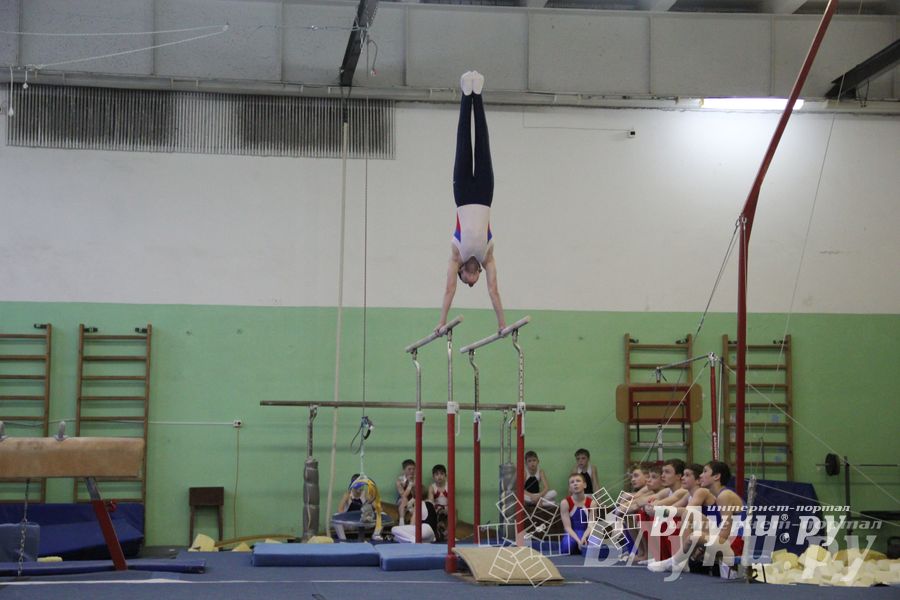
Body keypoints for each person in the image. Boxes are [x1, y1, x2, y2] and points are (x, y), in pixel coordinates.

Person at [437, 71, 506, 333]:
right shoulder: (488, 257)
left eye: (470, 279)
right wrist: (502, 324)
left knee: (464, 143)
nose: (474, 277)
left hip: (464, 194)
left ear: (462, 274)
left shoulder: (456, 256)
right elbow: (494, 290)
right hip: (485, 194)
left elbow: (448, 290)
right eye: (476, 278)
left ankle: (466, 95)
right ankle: (479, 95)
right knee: (484, 143)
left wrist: (442, 321)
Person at [559, 473, 594, 555]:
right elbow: (567, 527)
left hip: (587, 532)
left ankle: (580, 547)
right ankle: (577, 546)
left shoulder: (592, 503)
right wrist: (578, 541)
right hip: (572, 533)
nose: (575, 483)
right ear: (570, 488)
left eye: (578, 481)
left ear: (585, 485)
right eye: (572, 482)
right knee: (566, 548)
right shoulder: (565, 503)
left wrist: (584, 537)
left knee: (594, 549)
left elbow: (591, 525)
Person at [427, 464, 450, 541]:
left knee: (455, 511)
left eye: (441, 474)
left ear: (445, 476)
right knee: (435, 510)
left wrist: (447, 509)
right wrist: (439, 509)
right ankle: (437, 532)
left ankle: (449, 532)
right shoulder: (432, 487)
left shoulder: (449, 486)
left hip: (447, 507)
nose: (439, 476)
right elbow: (431, 502)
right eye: (437, 474)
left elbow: (452, 501)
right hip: (436, 508)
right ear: (433, 477)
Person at [395, 458, 416, 524]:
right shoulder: (399, 480)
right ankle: (401, 521)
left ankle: (413, 524)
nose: (412, 471)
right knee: (404, 499)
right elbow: (403, 495)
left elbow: (417, 494)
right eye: (409, 469)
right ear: (404, 470)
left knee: (417, 501)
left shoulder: (416, 479)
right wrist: (410, 484)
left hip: (413, 499)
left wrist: (413, 482)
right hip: (402, 500)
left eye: (413, 469)